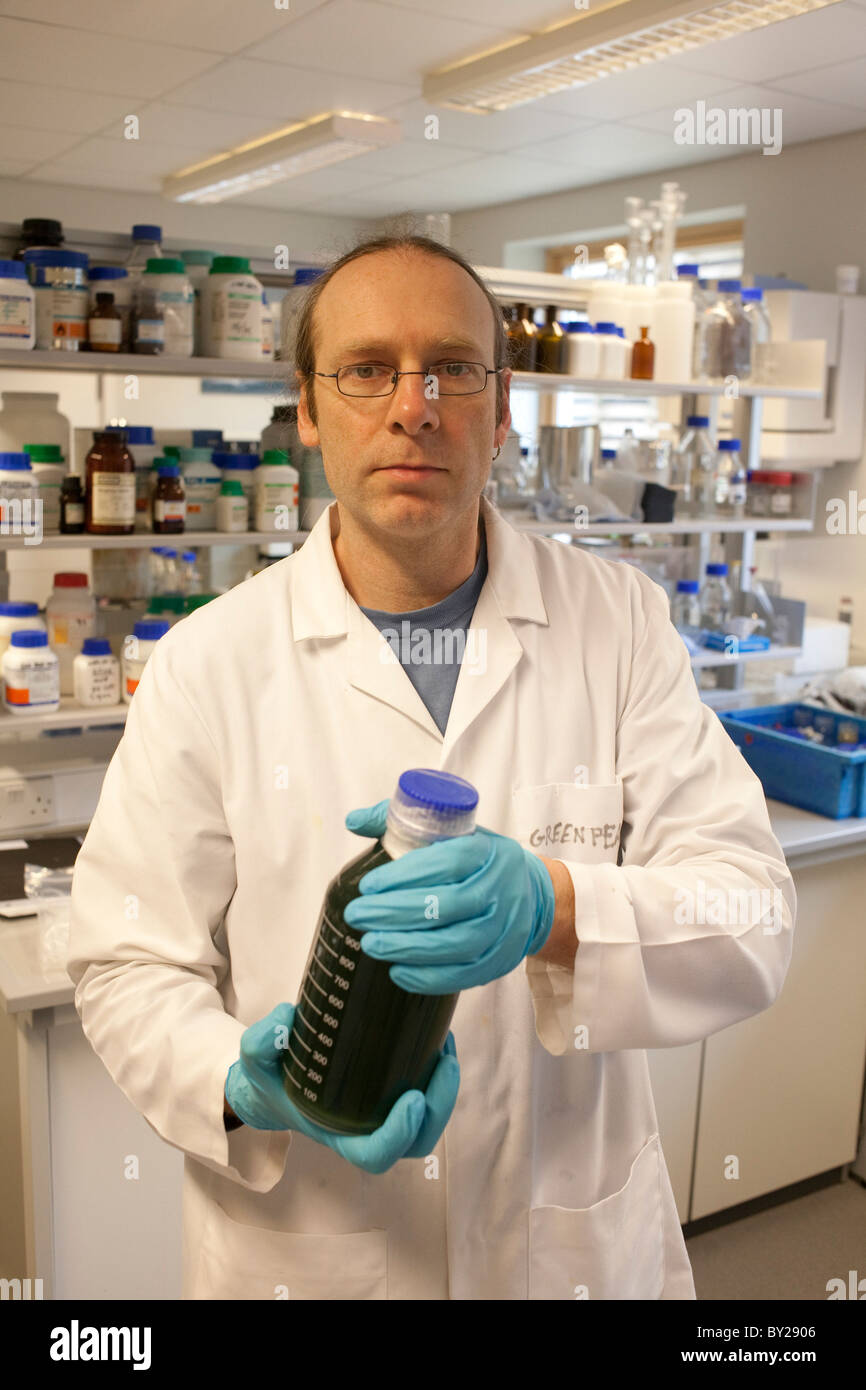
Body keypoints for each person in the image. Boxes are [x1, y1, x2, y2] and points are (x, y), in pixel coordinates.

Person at [67, 233, 795, 1300]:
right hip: (310, 1254)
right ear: (308, 412)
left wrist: (552, 907)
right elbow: (126, 962)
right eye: (366, 370)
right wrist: (238, 1078)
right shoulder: (207, 664)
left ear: (501, 411)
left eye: (453, 368)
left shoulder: (619, 625)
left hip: (569, 1257)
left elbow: (752, 910)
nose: (414, 407)